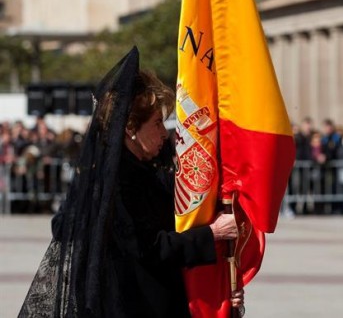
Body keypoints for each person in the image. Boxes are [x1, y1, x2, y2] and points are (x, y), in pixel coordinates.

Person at [19, 47, 243, 317]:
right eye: (157, 123)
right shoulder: (115, 182)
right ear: (130, 129)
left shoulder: (148, 168)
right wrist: (212, 234)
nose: (164, 133)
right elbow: (150, 249)